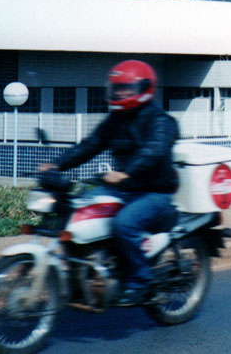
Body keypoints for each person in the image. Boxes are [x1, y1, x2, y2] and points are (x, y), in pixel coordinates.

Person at [39, 59, 178, 306]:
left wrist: (128, 173)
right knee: (78, 210)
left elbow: (152, 151)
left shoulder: (162, 121)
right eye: (117, 87)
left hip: (155, 193)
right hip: (123, 189)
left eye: (127, 88)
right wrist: (57, 164)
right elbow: (90, 145)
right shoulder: (116, 119)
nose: (120, 92)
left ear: (145, 89)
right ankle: (89, 271)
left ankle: (140, 282)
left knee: (124, 224)